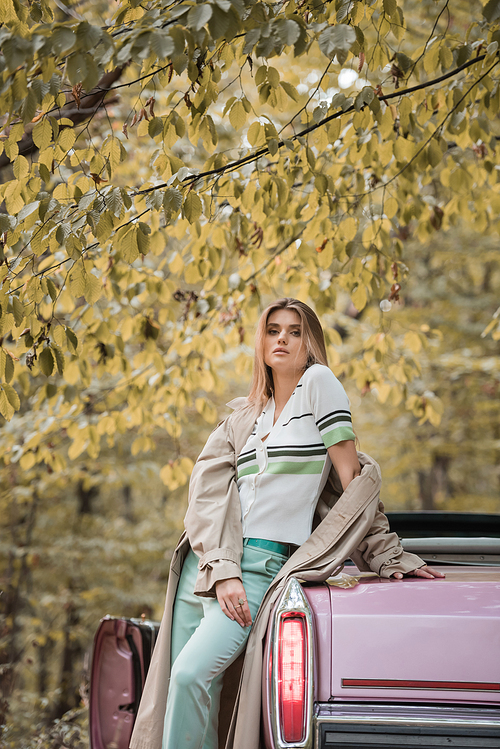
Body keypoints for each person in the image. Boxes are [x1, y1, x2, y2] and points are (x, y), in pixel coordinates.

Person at [129, 298, 444, 749]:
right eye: (273, 330)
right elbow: (207, 496)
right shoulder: (245, 416)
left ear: (309, 342)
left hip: (260, 569)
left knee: (187, 675)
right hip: (208, 569)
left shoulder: (320, 383)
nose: (282, 339)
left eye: (295, 331)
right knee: (189, 695)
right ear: (261, 341)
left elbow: (352, 483)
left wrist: (388, 555)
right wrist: (223, 569)